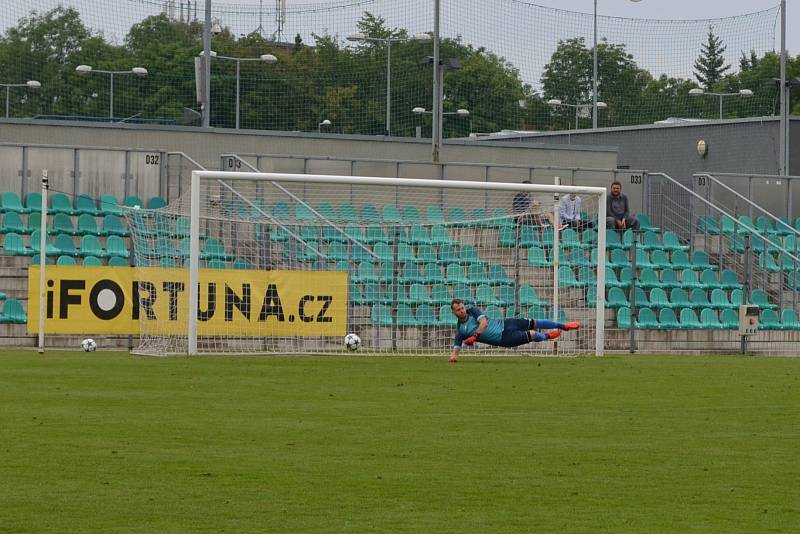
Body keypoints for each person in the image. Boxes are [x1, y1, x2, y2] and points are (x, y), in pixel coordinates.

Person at [447, 299, 580, 363]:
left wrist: (475, 336)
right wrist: (454, 357)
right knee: (532, 334)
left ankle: (564, 326)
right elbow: (456, 349)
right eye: (458, 310)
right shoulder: (461, 330)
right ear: (453, 313)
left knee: (533, 322)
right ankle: (547, 336)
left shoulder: (473, 311)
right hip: (504, 339)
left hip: (506, 323)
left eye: (462, 308)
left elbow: (484, 323)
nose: (462, 311)